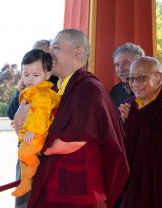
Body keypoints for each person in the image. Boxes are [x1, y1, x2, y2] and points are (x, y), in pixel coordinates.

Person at [27, 29, 129, 208]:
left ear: (78, 52)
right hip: (60, 186)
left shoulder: (89, 89)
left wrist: (38, 145)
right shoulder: (60, 89)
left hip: (80, 191)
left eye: (56, 48)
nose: (50, 53)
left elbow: (69, 140)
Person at [11, 49, 60, 197]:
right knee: (23, 160)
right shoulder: (31, 90)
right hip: (30, 133)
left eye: (35, 75)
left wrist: (32, 130)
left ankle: (34, 165)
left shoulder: (42, 93)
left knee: (23, 153)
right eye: (26, 75)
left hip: (39, 133)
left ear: (47, 75)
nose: (30, 79)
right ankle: (25, 183)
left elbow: (40, 113)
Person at [118, 56, 162, 208]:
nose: (135, 84)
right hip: (134, 183)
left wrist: (135, 121)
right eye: (132, 79)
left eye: (141, 78)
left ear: (157, 78)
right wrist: (123, 125)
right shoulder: (128, 105)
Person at [110, 43, 145, 109]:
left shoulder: (152, 90)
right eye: (117, 64)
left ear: (140, 63)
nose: (120, 69)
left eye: (125, 63)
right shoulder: (115, 91)